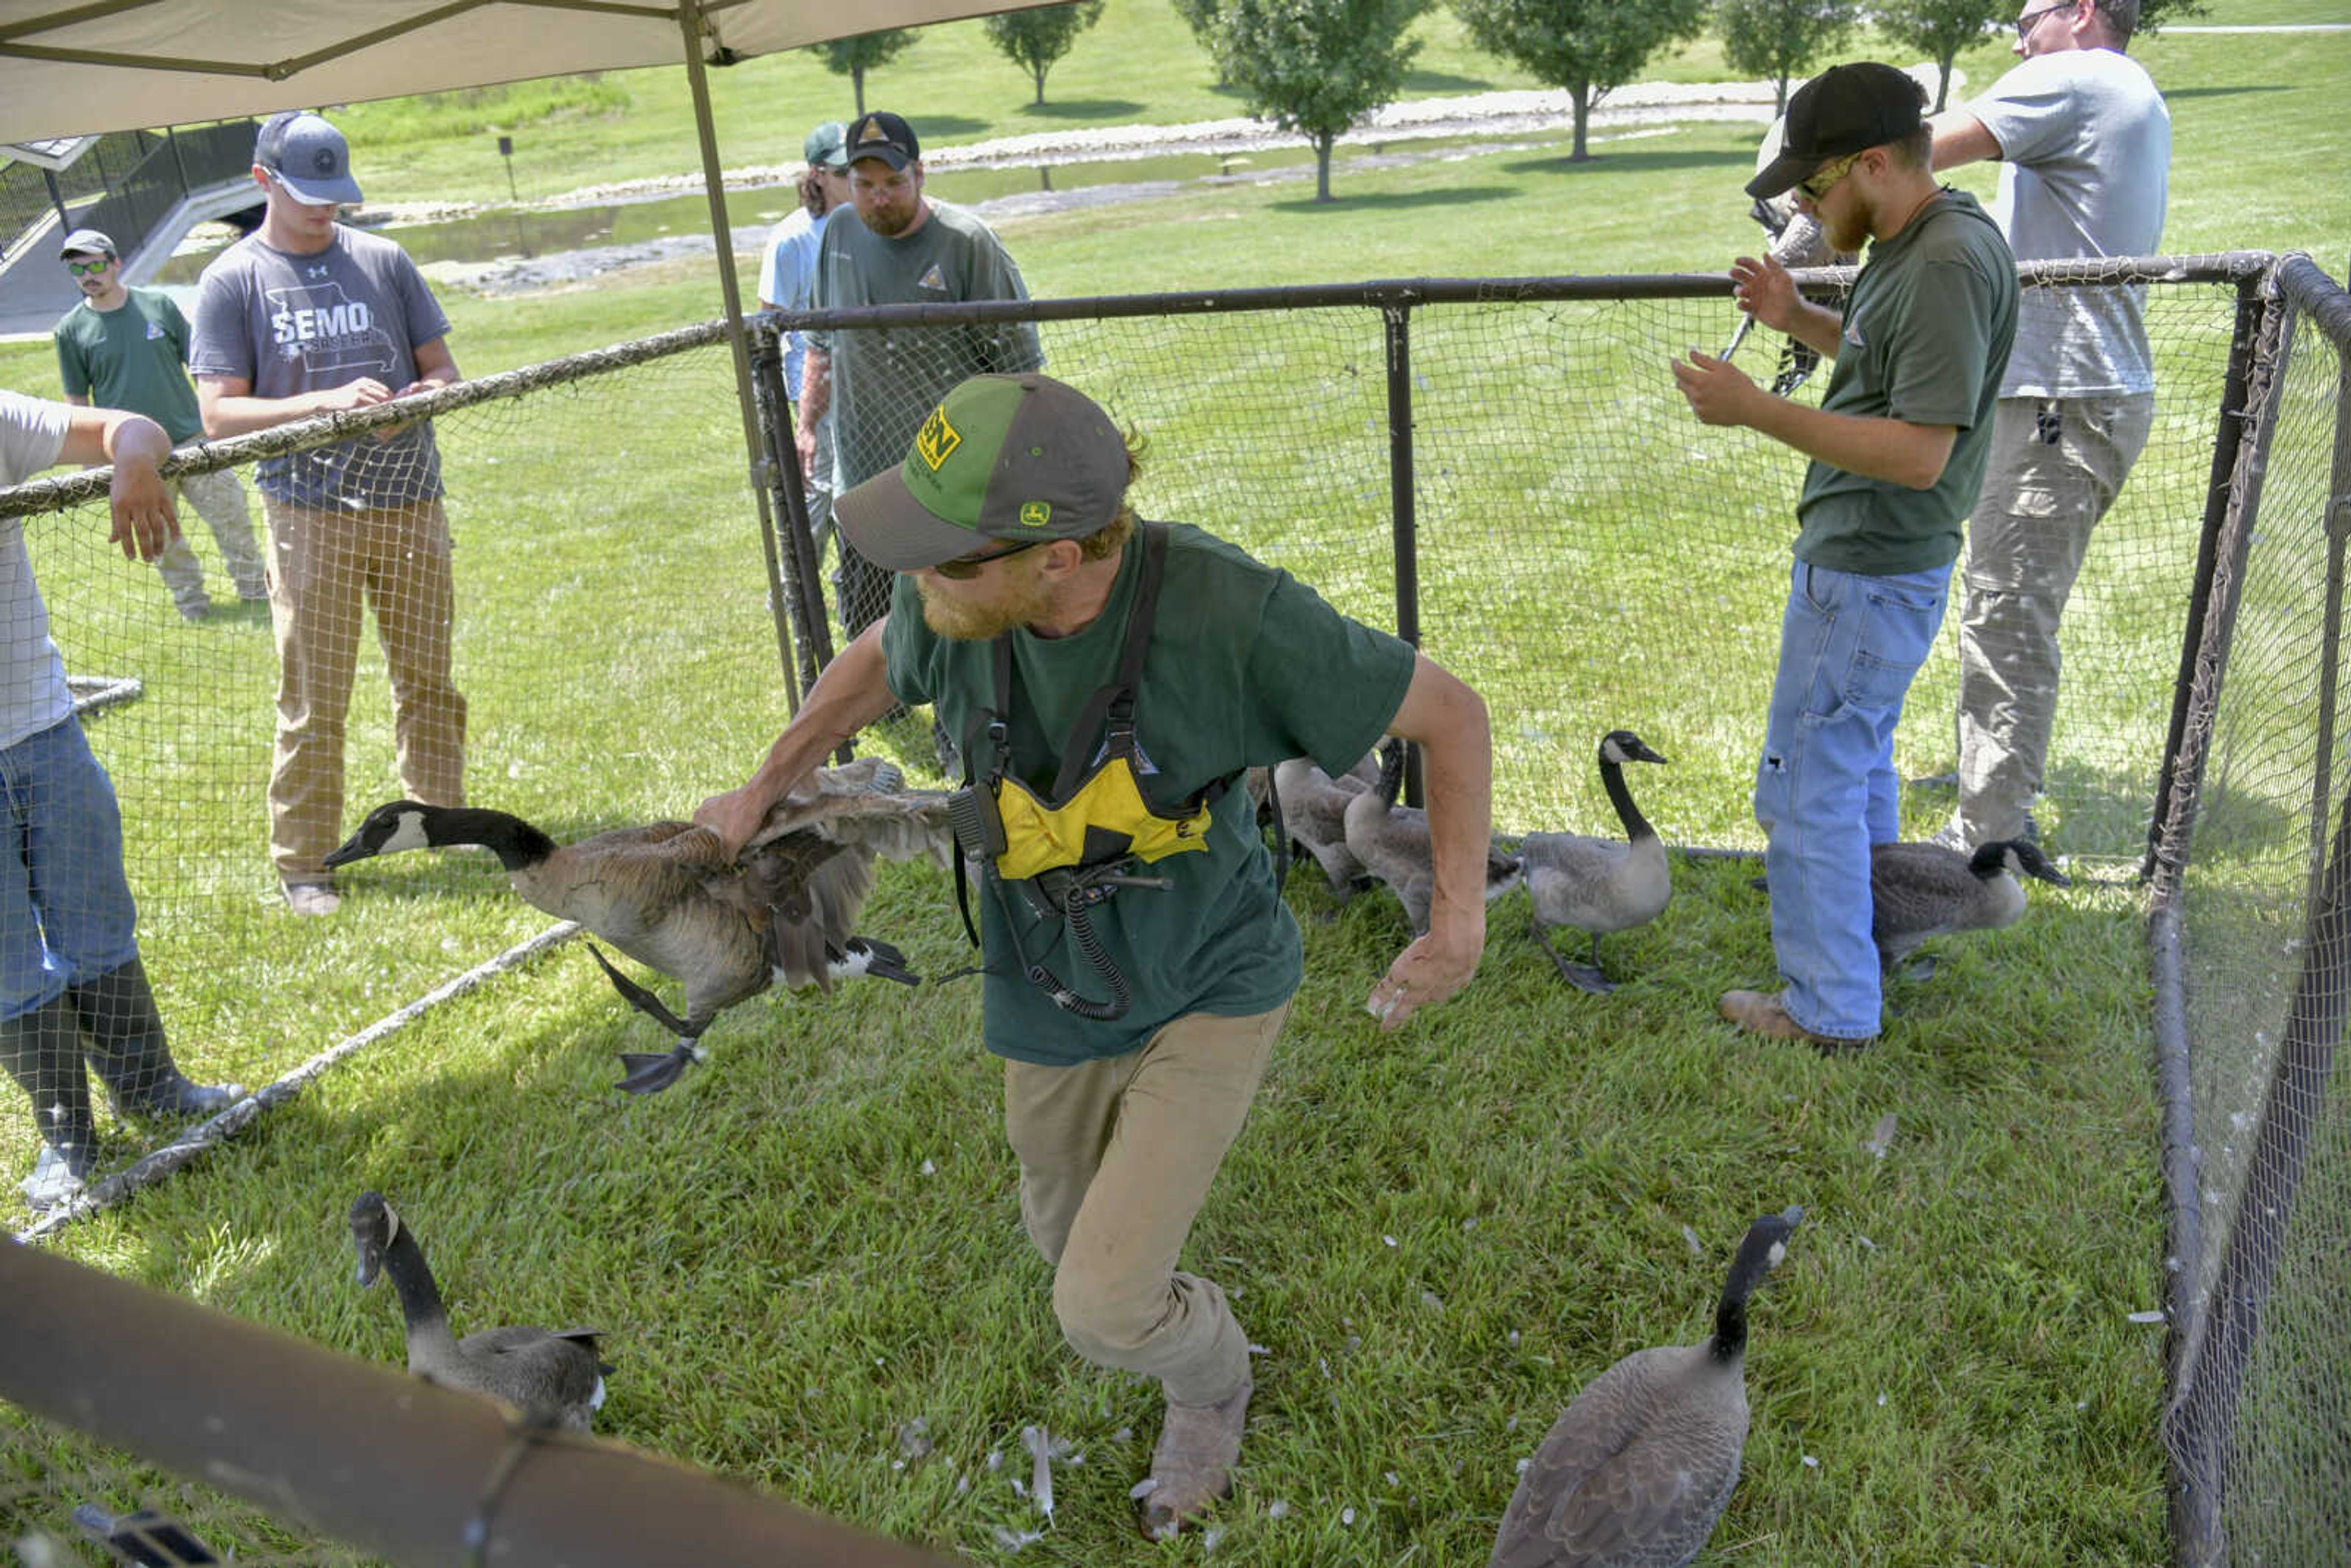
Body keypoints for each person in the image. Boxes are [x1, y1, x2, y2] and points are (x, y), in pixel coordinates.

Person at [697, 372, 1494, 1535]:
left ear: (1058, 557)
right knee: (1068, 1243)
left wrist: (1459, 920)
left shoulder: (1231, 616)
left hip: (1209, 980)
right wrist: (766, 781)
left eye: (946, 558)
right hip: (1048, 985)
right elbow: (880, 652)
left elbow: (1450, 714)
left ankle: (1212, 1377)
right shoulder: (960, 600)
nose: (917, 583)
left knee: (1106, 1304)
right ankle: (1151, 1312)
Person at [1672, 62, 2018, 1051]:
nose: (1808, 211)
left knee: (1806, 792)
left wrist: (1756, 410)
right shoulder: (1919, 243)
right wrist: (1793, 319)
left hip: (1870, 566)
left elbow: (1918, 452)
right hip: (1869, 567)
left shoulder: (1946, 261)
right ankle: (1867, 947)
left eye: (1814, 189)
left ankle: (1827, 1010)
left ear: (1872, 162)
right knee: (1851, 766)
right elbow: (1883, 370)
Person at [189, 110, 466, 918]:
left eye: (334, 195)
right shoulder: (232, 280)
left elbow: (443, 370)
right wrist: (330, 408)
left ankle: (435, 828)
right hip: (307, 514)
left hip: (410, 500)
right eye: (308, 194)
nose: (324, 210)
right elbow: (217, 416)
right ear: (263, 179)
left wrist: (414, 405)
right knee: (316, 698)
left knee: (428, 682)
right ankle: (306, 861)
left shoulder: (384, 260)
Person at [1925, 0, 2170, 849]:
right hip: (2062, 396)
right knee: (2001, 599)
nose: (2017, 35)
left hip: (2059, 403)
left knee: (2008, 610)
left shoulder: (2078, 76)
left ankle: (1986, 837)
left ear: (2086, 10)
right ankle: (1989, 771)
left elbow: (1916, 151)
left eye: (2030, 15)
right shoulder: (2121, 88)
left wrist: (1824, 177)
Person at [2, 390, 246, 1212]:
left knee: (96, 921)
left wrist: (136, 464)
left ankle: (153, 1090)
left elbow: (126, 426)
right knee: (6, 961)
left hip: (44, 731)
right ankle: (68, 1135)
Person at [794, 111, 1044, 639]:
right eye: (864, 185)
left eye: (893, 183)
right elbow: (820, 344)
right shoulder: (838, 232)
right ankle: (887, 706)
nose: (878, 198)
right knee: (871, 629)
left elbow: (1021, 370)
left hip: (951, 479)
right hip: (862, 478)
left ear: (921, 174)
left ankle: (961, 713)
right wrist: (808, 425)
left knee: (964, 624)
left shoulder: (967, 243)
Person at [53, 227, 268, 621]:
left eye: (97, 264)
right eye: (78, 270)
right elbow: (78, 401)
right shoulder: (70, 331)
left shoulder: (159, 306)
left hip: (193, 438)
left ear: (116, 263)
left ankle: (257, 594)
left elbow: (202, 367)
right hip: (137, 458)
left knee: (233, 518)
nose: (89, 275)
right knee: (163, 539)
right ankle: (193, 606)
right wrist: (91, 463)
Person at [757, 121, 853, 554]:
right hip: (816, 388)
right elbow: (768, 322)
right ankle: (800, 587)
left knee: (859, 495)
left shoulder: (869, 225)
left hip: (867, 379)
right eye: (842, 171)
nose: (854, 178)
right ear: (816, 174)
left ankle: (854, 586)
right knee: (819, 495)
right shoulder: (791, 239)